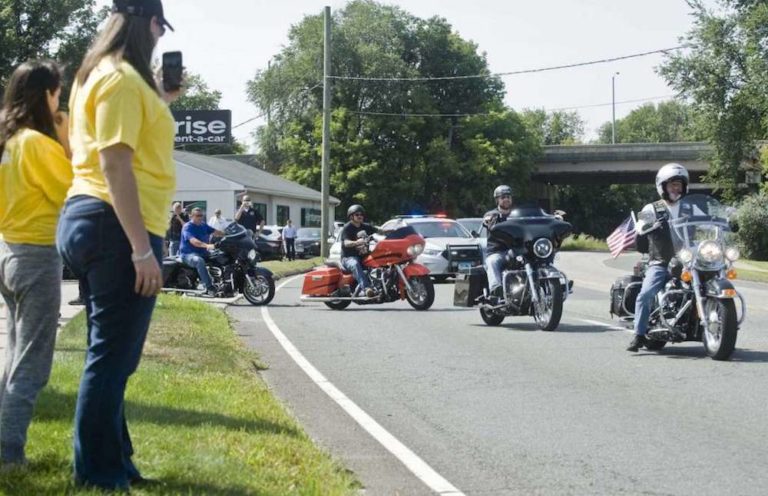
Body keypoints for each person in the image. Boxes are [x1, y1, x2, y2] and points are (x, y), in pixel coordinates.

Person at [55, 0, 179, 489]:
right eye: (159, 29)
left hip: (93, 219)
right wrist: (141, 250)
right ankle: (99, 475)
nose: (160, 39)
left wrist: (163, 100)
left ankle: (116, 462)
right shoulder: (122, 79)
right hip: (115, 223)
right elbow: (116, 164)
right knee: (111, 359)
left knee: (111, 356)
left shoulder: (99, 75)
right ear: (147, 24)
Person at [0, 59, 73, 468]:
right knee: (32, 366)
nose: (59, 101)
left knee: (14, 357)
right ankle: (9, 456)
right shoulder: (37, 143)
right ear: (46, 95)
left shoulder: (9, 140)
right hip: (36, 255)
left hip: (7, 251)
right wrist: (65, 140)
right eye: (58, 93)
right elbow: (73, 191)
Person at [627, 163, 694, 352]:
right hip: (661, 262)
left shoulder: (690, 207)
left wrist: (727, 221)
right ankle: (638, 335)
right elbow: (640, 226)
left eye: (679, 184)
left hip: (688, 260)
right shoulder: (652, 207)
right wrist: (652, 224)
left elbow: (709, 218)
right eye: (672, 184)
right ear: (662, 186)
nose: (676, 188)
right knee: (645, 295)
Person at [179, 208, 224, 296]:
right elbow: (193, 241)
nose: (200, 217)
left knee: (220, 256)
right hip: (188, 254)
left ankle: (223, 283)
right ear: (191, 216)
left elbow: (215, 232)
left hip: (202, 252)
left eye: (201, 215)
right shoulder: (187, 227)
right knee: (199, 261)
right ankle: (209, 287)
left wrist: (229, 234)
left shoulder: (203, 225)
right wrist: (207, 245)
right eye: (197, 216)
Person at [482, 185, 515, 302]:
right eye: (503, 197)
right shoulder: (492, 214)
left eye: (508, 197)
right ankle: (496, 288)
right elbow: (487, 220)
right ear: (497, 200)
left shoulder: (517, 215)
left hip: (516, 250)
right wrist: (488, 221)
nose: (506, 199)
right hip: (497, 251)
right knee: (492, 261)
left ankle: (554, 283)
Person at [339, 205, 377, 298]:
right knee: (355, 264)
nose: (360, 216)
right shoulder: (347, 227)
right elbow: (346, 242)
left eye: (361, 214)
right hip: (348, 257)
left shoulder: (365, 226)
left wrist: (393, 230)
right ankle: (367, 288)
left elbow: (379, 231)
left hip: (364, 257)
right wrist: (356, 242)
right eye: (357, 214)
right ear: (351, 216)